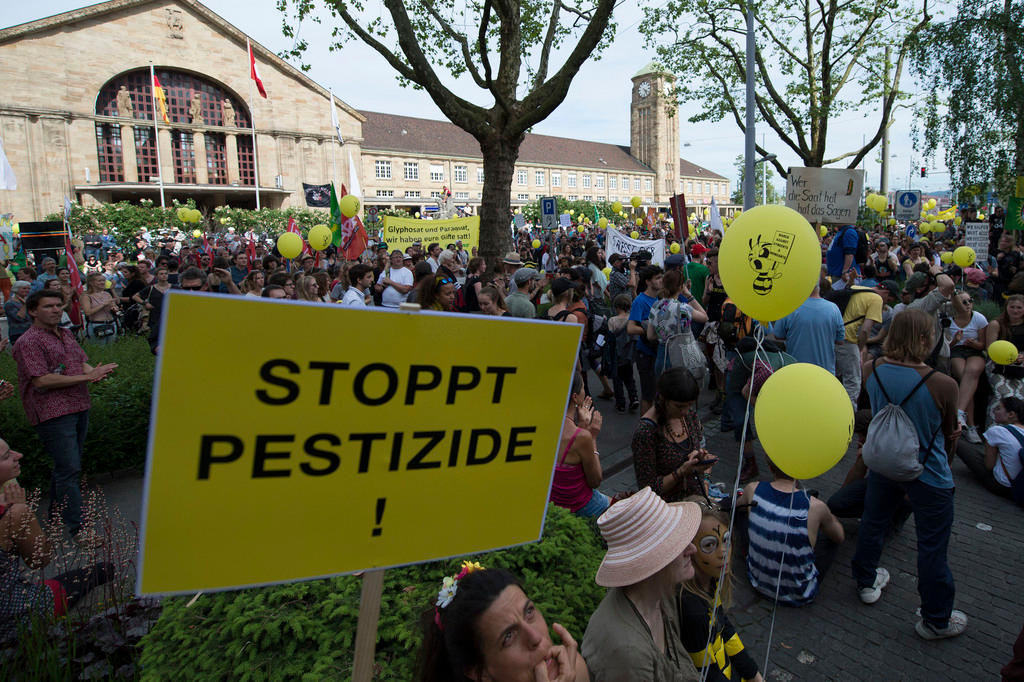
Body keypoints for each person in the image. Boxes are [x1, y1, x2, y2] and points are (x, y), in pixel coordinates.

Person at [851, 309, 966, 640]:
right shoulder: (943, 383)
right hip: (928, 474)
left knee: (873, 522)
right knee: (932, 546)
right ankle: (936, 619)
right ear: (924, 339)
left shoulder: (872, 368)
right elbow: (948, 436)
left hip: (885, 462)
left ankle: (866, 580)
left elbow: (869, 407)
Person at [12, 290, 117, 540]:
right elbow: (41, 379)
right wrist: (86, 377)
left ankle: (55, 518)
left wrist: (96, 373)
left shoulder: (66, 333)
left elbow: (80, 362)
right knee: (69, 469)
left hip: (78, 405)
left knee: (66, 467)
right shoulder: (28, 342)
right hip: (53, 412)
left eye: (59, 305)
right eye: (48, 306)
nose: (56, 309)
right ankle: (79, 529)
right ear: (33, 311)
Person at [0, 437, 115, 641]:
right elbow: (40, 560)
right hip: (15, 618)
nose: (19, 456)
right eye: (7, 456)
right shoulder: (12, 513)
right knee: (100, 571)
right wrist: (22, 510)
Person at [582, 487, 702, 682]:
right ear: (653, 561)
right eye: (678, 544)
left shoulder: (660, 596)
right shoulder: (628, 652)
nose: (693, 549)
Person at [415, 563, 588, 682]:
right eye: (509, 636)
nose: (536, 637)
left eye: (529, 612)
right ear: (479, 672)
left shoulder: (572, 670)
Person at [742, 456, 844, 607]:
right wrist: (827, 517)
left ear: (770, 467)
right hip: (800, 594)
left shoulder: (752, 489)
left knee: (746, 515)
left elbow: (737, 506)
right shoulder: (816, 507)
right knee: (829, 536)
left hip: (757, 582)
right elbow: (840, 537)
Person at [677, 502, 762, 682]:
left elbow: (725, 629)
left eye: (726, 540)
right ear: (690, 549)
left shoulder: (710, 582)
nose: (723, 552)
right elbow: (707, 673)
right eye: (709, 545)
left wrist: (753, 674)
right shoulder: (694, 613)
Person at [632, 368, 713, 502]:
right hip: (668, 509)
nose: (685, 411)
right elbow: (647, 490)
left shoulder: (690, 416)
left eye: (690, 405)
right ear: (663, 399)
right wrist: (681, 472)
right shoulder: (646, 432)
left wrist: (701, 460)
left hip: (696, 500)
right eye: (679, 406)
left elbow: (699, 450)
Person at [550, 372, 608, 518]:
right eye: (583, 387)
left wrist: (582, 426)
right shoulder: (582, 437)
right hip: (580, 507)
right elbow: (595, 480)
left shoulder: (545, 426)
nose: (585, 392)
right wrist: (592, 436)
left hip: (553, 504)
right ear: (575, 397)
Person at [768, 283, 844, 373]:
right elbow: (840, 340)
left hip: (796, 370)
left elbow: (778, 335)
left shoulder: (790, 307)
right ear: (819, 287)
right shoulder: (834, 309)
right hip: (825, 372)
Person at [647, 270, 708, 381]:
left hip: (663, 353)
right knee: (684, 390)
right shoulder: (684, 308)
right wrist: (689, 295)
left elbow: (650, 336)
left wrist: (665, 335)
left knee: (665, 392)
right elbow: (704, 317)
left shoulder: (656, 306)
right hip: (682, 353)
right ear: (681, 287)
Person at [960, 396, 1024, 500]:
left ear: (1011, 414)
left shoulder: (997, 430)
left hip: (1003, 486)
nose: (994, 411)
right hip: (1020, 487)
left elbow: (989, 466)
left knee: (960, 444)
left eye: (998, 408)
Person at [948, 291, 989, 443]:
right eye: (963, 301)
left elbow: (982, 345)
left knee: (971, 372)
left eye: (969, 301)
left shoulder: (979, 318)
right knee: (965, 377)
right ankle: (970, 425)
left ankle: (960, 414)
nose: (967, 304)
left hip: (974, 351)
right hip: (956, 350)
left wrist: (973, 343)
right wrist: (955, 341)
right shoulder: (948, 318)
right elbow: (946, 346)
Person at [628, 266, 664, 413]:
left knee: (658, 393)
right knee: (648, 395)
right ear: (648, 281)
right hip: (646, 353)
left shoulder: (660, 298)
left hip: (657, 351)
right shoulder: (640, 301)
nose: (662, 280)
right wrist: (650, 330)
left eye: (662, 277)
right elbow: (630, 328)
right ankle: (645, 431)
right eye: (658, 278)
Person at [984, 294, 1024, 425]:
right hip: (998, 364)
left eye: (1019, 307)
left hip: (1021, 364)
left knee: (1020, 396)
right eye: (1012, 307)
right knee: (1003, 395)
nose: (1015, 310)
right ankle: (993, 428)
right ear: (1006, 308)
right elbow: (990, 349)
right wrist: (1007, 358)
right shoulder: (996, 324)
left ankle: (1016, 429)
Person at [607, 294, 639, 414]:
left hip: (616, 354)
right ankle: (634, 398)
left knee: (617, 380)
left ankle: (620, 403)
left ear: (617, 307)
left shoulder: (612, 321)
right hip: (629, 354)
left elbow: (610, 338)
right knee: (630, 378)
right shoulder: (632, 319)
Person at [81, 272, 119, 345]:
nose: (102, 282)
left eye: (103, 280)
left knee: (112, 349)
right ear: (91, 283)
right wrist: (103, 304)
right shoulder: (86, 296)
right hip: (97, 325)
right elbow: (87, 312)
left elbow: (114, 305)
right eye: (99, 281)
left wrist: (115, 308)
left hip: (111, 323)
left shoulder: (107, 294)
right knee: (100, 350)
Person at [4, 281, 32, 346]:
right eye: (24, 288)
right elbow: (19, 318)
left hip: (30, 332)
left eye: (28, 288)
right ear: (16, 289)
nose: (27, 290)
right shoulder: (10, 304)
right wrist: (25, 305)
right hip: (18, 333)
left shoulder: (28, 300)